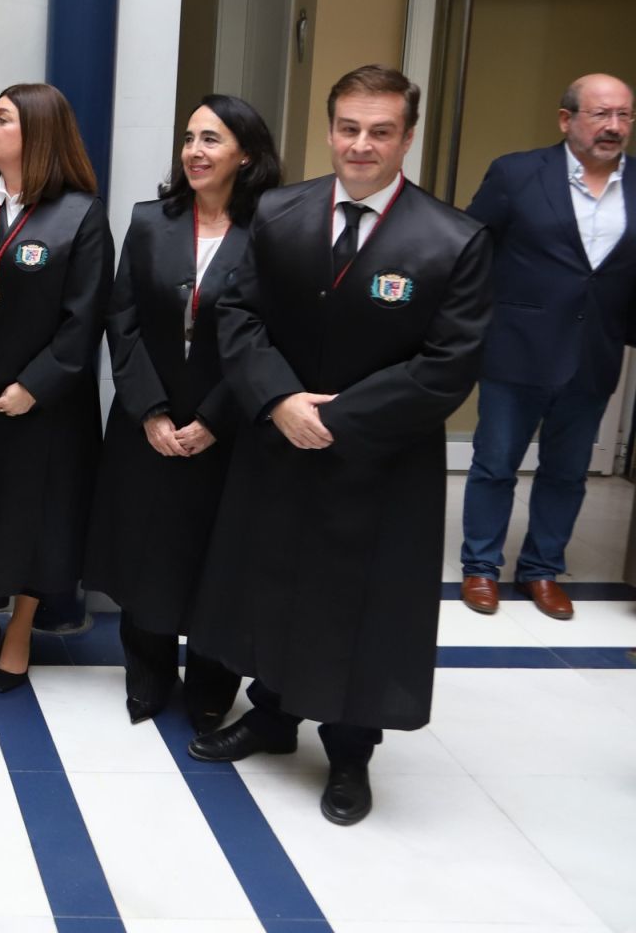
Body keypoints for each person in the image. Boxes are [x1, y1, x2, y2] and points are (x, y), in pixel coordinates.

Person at [189, 64, 491, 827]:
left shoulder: (453, 240)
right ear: (329, 130)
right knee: (275, 585)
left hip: (380, 462)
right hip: (279, 445)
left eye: (381, 131)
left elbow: (448, 364)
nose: (363, 145)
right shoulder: (281, 213)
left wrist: (339, 421)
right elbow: (238, 316)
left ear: (407, 138)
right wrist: (280, 400)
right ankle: (272, 717)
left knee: (360, 606)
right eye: (350, 128)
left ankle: (351, 751)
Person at [86, 95, 281, 733]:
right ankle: (146, 674)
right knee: (148, 549)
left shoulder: (274, 231)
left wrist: (216, 417)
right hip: (150, 419)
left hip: (228, 428)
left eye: (213, 140)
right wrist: (150, 410)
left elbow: (271, 336)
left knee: (215, 555)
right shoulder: (151, 221)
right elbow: (124, 318)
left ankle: (212, 680)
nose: (195, 151)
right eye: (190, 138)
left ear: (245, 154)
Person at [0, 84, 112, 693]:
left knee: (39, 520)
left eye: (2, 118)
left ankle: (22, 626)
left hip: (47, 406)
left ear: (37, 134)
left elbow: (86, 316)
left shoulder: (80, 213)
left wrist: (33, 388)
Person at [459, 73, 636, 621]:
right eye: (600, 114)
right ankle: (481, 567)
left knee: (567, 470)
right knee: (495, 463)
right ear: (566, 119)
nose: (613, 126)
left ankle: (541, 570)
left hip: (595, 352)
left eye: (625, 115)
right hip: (516, 347)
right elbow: (470, 247)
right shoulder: (516, 173)